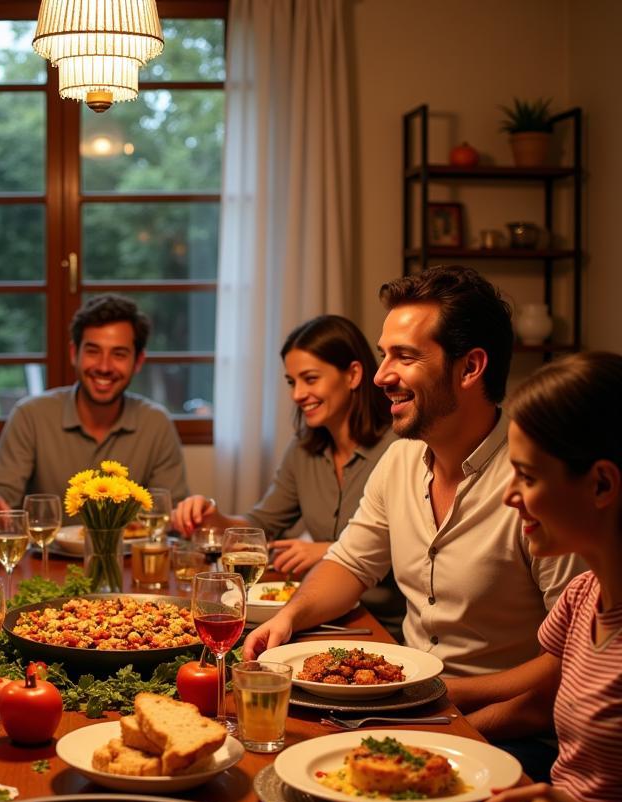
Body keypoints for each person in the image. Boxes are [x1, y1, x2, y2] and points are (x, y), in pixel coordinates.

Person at [244, 266, 581, 699]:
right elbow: (350, 564)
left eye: (404, 357)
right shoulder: (400, 459)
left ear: (471, 367)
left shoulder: (540, 483)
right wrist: (287, 618)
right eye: (384, 355)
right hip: (413, 697)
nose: (381, 376)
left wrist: (440, 698)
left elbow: (569, 660)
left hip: (505, 722)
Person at [474, 352, 622, 802]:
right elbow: (539, 700)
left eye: (527, 477)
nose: (508, 497)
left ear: (601, 484)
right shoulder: (583, 597)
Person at [172, 314, 403, 633]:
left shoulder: (400, 449)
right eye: (292, 382)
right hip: (325, 618)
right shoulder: (303, 451)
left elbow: (415, 547)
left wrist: (326, 551)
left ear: (352, 375)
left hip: (384, 625)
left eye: (310, 379)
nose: (297, 395)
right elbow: (262, 527)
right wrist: (214, 517)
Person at [0, 294, 189, 528]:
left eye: (119, 354)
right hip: (46, 560)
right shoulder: (31, 415)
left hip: (126, 562)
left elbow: (171, 510)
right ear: (75, 353)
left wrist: (187, 513)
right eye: (93, 351)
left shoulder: (156, 422)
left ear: (138, 361)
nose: (104, 367)